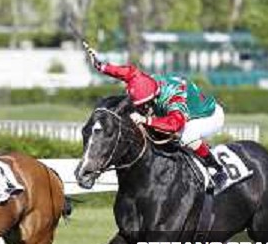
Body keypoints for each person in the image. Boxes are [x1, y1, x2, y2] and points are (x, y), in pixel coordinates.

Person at [88, 52, 227, 187]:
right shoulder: (144, 81)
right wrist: (102, 66)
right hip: (185, 112)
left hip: (208, 117)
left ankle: (216, 168)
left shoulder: (174, 99)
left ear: (152, 98)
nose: (141, 108)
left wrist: (146, 120)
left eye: (143, 105)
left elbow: (175, 124)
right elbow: (128, 72)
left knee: (186, 136)